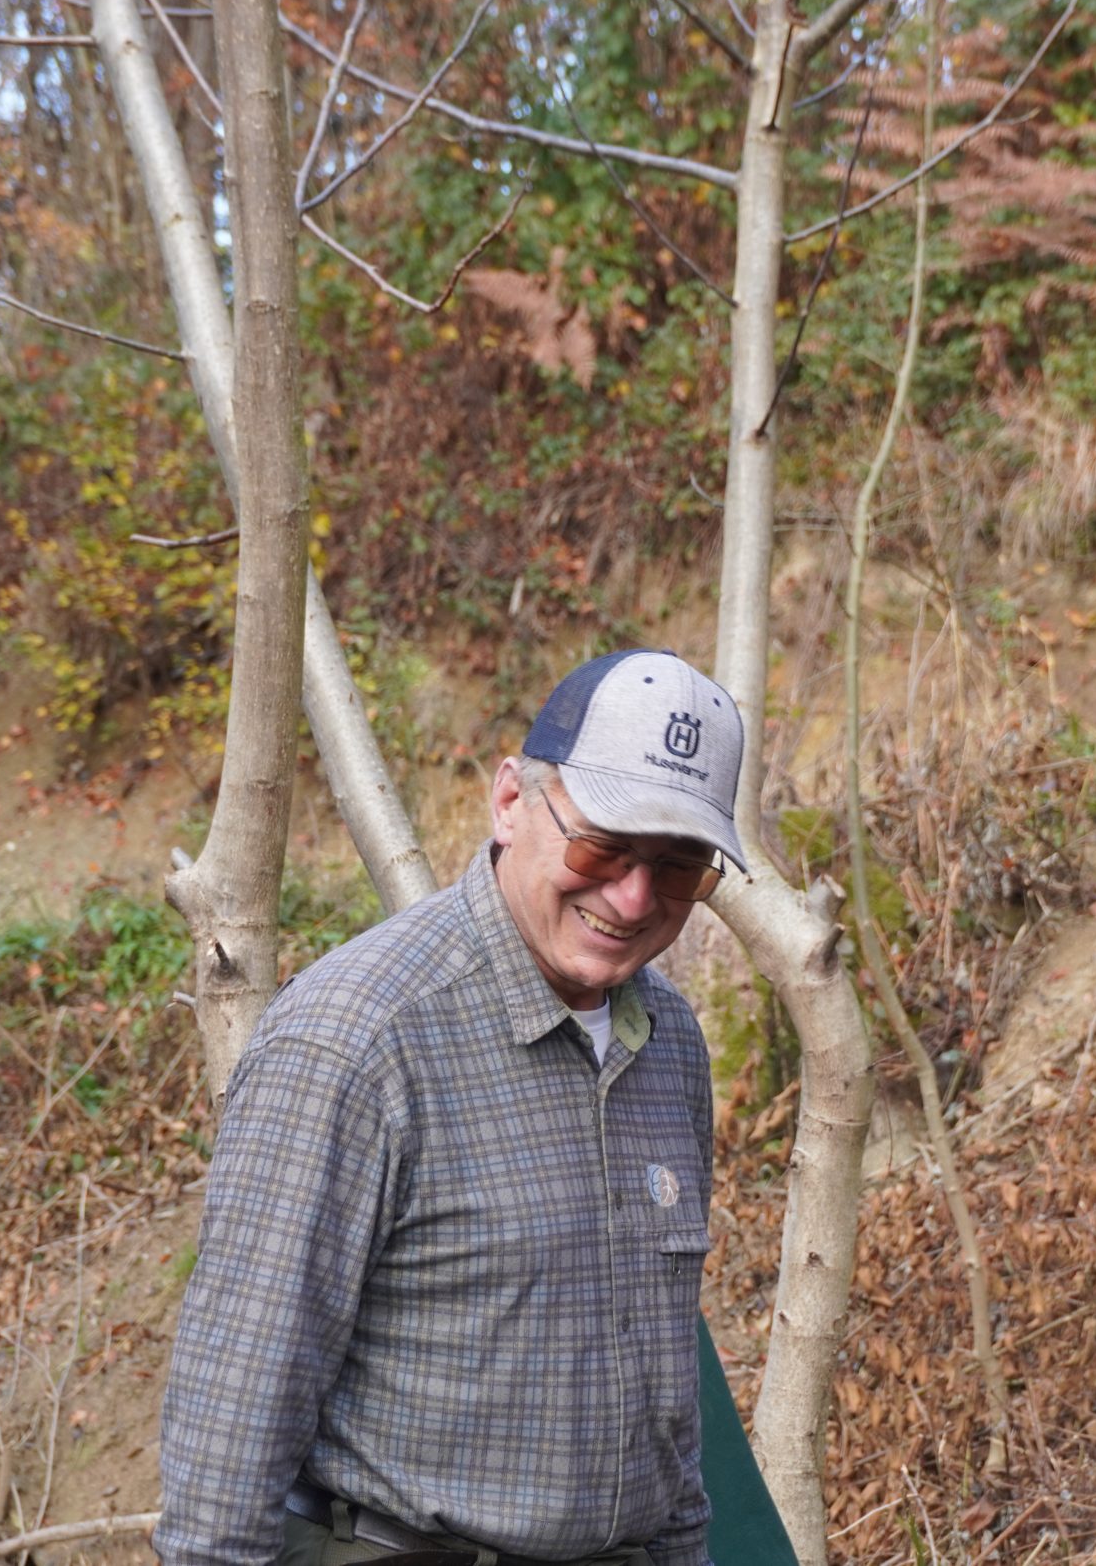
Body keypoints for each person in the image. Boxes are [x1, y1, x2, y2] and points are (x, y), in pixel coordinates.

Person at [156, 649, 748, 1566]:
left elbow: (666, 1418)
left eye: (678, 869)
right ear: (510, 801)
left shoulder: (669, 1041)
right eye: (601, 846)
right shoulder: (356, 1039)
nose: (633, 897)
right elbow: (233, 1420)